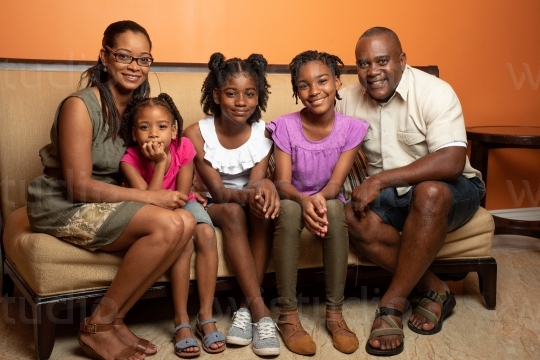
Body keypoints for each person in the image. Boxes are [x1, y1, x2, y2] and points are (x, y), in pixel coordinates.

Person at [26, 21, 196, 360]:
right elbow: (78, 186)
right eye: (124, 56)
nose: (135, 67)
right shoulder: (80, 105)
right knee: (168, 223)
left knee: (186, 222)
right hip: (63, 201)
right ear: (105, 57)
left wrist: (191, 187)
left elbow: (166, 157)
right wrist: (151, 198)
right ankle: (96, 327)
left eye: (144, 59)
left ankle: (113, 320)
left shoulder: (140, 109)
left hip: (109, 198)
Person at [336, 27, 485, 356]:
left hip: (452, 190)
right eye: (363, 64)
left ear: (402, 60)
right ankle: (435, 289)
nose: (372, 71)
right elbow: (319, 135)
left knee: (429, 192)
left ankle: (393, 302)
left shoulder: (435, 92)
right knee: (349, 216)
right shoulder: (346, 98)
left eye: (382, 61)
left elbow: (451, 160)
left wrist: (379, 180)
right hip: (393, 198)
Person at [267, 50, 369, 356]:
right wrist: (303, 200)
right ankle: (287, 317)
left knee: (337, 205)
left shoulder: (350, 128)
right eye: (304, 85)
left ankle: (335, 315)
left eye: (322, 81)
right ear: (296, 92)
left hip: (327, 199)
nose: (314, 91)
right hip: (292, 198)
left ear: (337, 82)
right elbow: (282, 183)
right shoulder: (285, 126)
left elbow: (336, 185)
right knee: (287, 208)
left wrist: (316, 201)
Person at [183, 52, 281, 356]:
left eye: (250, 94)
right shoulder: (196, 134)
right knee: (234, 211)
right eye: (231, 93)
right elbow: (220, 193)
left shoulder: (263, 134)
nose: (242, 102)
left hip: (246, 201)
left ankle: (243, 309)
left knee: (261, 208)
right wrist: (252, 193)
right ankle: (261, 311)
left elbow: (256, 181)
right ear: (216, 95)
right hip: (214, 203)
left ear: (259, 96)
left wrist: (263, 189)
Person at [119, 94, 225, 358]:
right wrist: (160, 164)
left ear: (174, 129)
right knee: (183, 241)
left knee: (206, 233)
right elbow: (150, 203)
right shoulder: (128, 161)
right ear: (134, 133)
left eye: (162, 127)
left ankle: (206, 315)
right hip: (154, 212)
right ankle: (181, 321)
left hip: (182, 202)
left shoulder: (185, 147)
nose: (154, 134)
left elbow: (182, 192)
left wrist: (183, 211)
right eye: (145, 127)